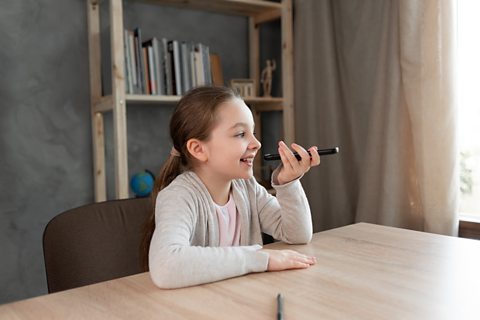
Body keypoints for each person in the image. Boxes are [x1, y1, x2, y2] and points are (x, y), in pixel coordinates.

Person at [141, 86, 320, 289]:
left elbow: (297, 234)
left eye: (252, 132)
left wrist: (287, 183)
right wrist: (260, 258)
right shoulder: (179, 196)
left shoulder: (247, 188)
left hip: (238, 298)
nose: (257, 143)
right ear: (198, 149)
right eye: (241, 134)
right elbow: (167, 266)